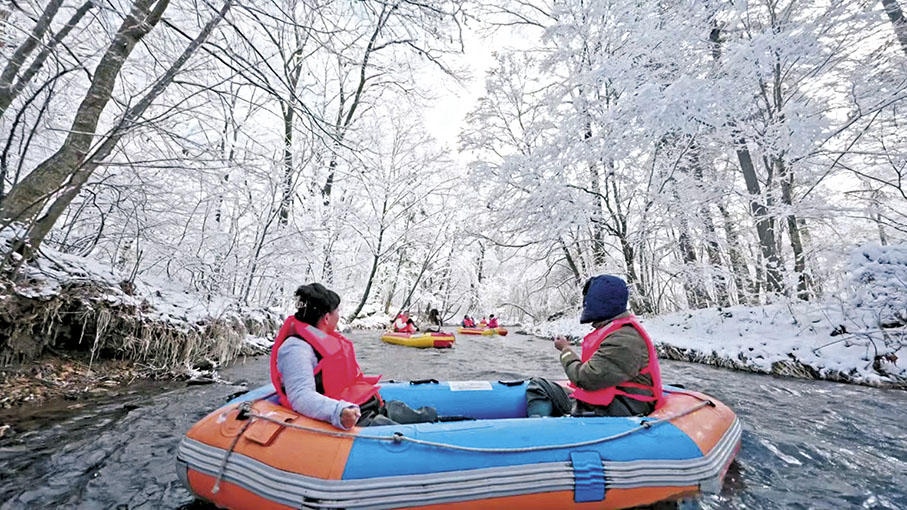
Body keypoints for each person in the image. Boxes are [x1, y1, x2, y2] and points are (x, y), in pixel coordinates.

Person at [271, 283, 437, 429]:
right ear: (327, 317)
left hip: (365, 406)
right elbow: (301, 396)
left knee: (412, 413)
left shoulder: (324, 338)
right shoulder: (295, 349)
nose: (339, 315)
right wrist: (338, 411)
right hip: (353, 416)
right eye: (338, 311)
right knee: (403, 436)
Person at [526, 274, 664, 418]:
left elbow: (585, 379)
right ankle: (542, 425)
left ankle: (539, 431)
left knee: (543, 389)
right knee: (539, 385)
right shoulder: (618, 332)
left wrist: (565, 350)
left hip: (622, 407)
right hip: (608, 401)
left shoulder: (625, 339)